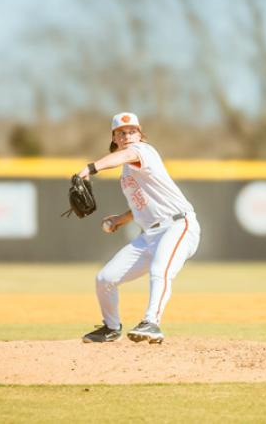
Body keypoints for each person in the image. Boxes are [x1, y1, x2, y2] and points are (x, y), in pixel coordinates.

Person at [79, 112, 201, 344]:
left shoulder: (143, 151)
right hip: (150, 234)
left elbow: (126, 154)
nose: (127, 135)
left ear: (140, 133)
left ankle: (152, 322)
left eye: (132, 131)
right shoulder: (127, 172)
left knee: (160, 270)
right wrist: (119, 219)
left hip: (178, 225)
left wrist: (90, 168)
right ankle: (111, 327)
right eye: (121, 133)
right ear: (114, 137)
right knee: (105, 278)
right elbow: (143, 207)